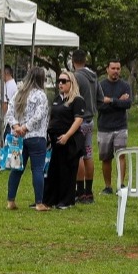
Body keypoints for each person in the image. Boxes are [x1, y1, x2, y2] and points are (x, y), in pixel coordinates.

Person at [5, 66, 50, 211]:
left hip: (18, 137)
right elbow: (39, 115)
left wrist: (17, 126)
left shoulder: (19, 93)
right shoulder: (41, 95)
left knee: (17, 169)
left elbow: (9, 112)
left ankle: (10, 201)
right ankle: (39, 202)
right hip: (36, 136)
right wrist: (26, 127)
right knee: (37, 169)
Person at [42, 70, 85, 209]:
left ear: (71, 83)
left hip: (69, 140)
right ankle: (52, 199)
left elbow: (78, 120)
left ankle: (67, 200)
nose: (60, 84)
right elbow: (52, 117)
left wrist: (67, 135)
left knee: (68, 170)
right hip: (55, 139)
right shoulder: (57, 99)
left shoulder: (77, 100)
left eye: (64, 81)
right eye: (59, 81)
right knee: (54, 170)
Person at [96, 60, 133, 195]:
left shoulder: (125, 86)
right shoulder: (100, 86)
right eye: (113, 68)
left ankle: (121, 185)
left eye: (118, 68)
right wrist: (118, 100)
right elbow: (100, 106)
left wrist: (110, 100)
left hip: (120, 127)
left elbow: (128, 104)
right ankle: (108, 186)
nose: (116, 71)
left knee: (120, 155)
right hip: (104, 127)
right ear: (107, 69)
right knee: (106, 158)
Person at [71, 50, 100, 205]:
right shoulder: (94, 77)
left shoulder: (75, 77)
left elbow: (71, 98)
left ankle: (80, 191)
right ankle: (89, 192)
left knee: (78, 156)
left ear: (73, 60)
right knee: (88, 154)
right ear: (86, 60)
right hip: (90, 121)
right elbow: (100, 98)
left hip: (79, 120)